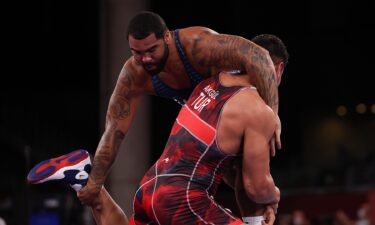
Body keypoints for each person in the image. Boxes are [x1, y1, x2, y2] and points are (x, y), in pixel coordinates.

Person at [28, 34, 288, 225]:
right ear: (277, 68)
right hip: (181, 199)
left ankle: (83, 177)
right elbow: (255, 186)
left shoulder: (209, 82)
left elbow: (226, 168)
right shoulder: (257, 111)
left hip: (150, 187)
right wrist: (273, 195)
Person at [78, 11, 283, 207]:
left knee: (250, 180)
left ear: (167, 37)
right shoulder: (134, 74)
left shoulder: (197, 44)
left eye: (151, 50)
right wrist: (95, 182)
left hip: (232, 106)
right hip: (204, 119)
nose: (145, 59)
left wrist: (272, 114)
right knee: (235, 177)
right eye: (137, 53)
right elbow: (114, 131)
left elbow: (259, 55)